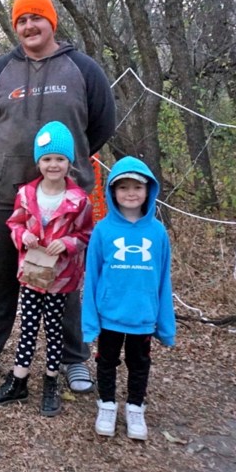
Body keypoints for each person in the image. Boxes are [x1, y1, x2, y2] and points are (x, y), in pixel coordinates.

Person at [0, 0, 116, 392]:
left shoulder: (83, 70)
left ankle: (72, 357)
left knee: (64, 278)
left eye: (36, 18)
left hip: (64, 204)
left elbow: (99, 126)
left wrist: (65, 171)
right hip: (2, 195)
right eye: (21, 21)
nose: (29, 26)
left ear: (52, 21)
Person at [0, 122, 93, 416]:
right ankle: (18, 381)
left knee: (54, 330)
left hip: (60, 278)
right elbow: (14, 223)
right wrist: (23, 236)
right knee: (28, 327)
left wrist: (68, 243)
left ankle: (51, 382)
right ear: (38, 162)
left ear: (69, 162)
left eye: (60, 158)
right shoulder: (26, 194)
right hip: (31, 274)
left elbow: (86, 234)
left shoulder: (78, 200)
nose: (53, 165)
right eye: (47, 159)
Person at [82, 156, 175, 440]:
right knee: (106, 361)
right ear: (112, 192)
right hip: (110, 314)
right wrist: (89, 321)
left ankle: (135, 408)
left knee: (139, 363)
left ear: (149, 190)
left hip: (143, 318)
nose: (131, 193)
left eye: (137, 187)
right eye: (123, 187)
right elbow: (92, 277)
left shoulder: (157, 232)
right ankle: (107, 405)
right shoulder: (103, 230)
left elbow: (163, 280)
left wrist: (165, 325)